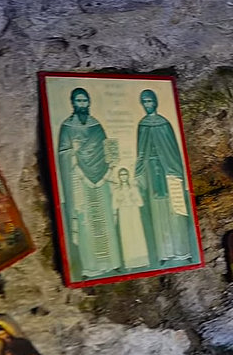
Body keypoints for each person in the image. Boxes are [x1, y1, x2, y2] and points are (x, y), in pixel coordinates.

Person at [57, 88, 122, 279]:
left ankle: (112, 263)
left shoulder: (96, 125)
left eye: (85, 101)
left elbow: (107, 148)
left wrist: (112, 161)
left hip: (101, 179)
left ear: (89, 103)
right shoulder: (67, 127)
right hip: (79, 180)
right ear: (73, 103)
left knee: (105, 218)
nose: (82, 104)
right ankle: (90, 267)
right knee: (85, 220)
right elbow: (63, 154)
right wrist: (74, 152)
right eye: (79, 101)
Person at [135, 90, 194, 266]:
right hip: (152, 173)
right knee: (157, 210)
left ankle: (183, 252)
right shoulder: (142, 125)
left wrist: (174, 169)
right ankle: (164, 254)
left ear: (155, 102)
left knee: (175, 210)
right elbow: (141, 152)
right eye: (144, 102)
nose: (147, 105)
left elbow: (172, 150)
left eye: (150, 101)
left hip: (170, 172)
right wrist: (139, 172)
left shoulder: (164, 123)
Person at [110, 168, 149, 270]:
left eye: (125, 174)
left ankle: (143, 260)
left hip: (134, 211)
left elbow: (141, 203)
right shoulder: (117, 190)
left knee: (138, 234)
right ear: (119, 177)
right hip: (123, 213)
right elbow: (114, 205)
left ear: (128, 176)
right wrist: (120, 201)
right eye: (121, 175)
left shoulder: (133, 188)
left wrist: (133, 199)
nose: (123, 177)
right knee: (127, 236)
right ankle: (130, 263)